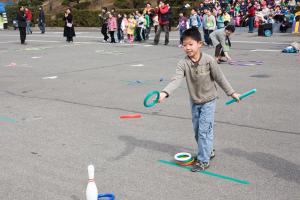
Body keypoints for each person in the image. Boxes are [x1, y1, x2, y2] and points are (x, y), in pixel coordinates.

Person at [158, 27, 240, 172]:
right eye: (184, 45)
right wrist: (164, 92)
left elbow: (220, 78)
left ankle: (203, 160)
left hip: (209, 100)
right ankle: (209, 151)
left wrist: (231, 92)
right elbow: (176, 80)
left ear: (199, 44)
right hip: (195, 101)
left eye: (190, 44)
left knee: (204, 131)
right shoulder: (183, 63)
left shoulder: (209, 60)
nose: (187, 48)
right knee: (198, 131)